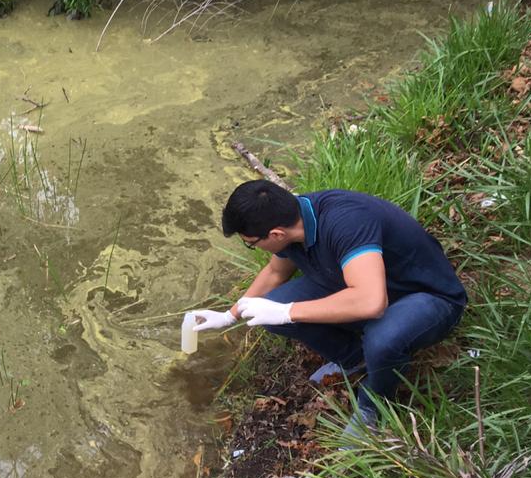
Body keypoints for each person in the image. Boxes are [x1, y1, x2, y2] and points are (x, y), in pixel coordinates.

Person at [192, 180, 467, 435]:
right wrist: (230, 315)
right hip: (364, 286)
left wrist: (288, 312)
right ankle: (356, 359)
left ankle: (374, 403)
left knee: (382, 339)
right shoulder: (292, 220)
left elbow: (371, 302)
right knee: (267, 310)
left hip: (426, 296)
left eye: (251, 244)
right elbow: (275, 273)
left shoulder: (346, 222)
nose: (253, 247)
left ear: (275, 234)